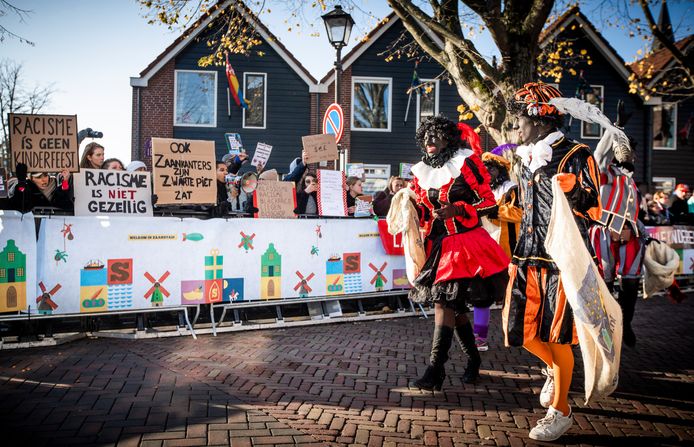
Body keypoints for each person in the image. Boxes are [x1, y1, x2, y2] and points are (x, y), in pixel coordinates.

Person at [502, 82, 601, 442]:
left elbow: (593, 208)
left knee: (557, 336)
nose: (516, 130)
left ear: (538, 120)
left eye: (518, 122)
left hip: (562, 260)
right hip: (527, 257)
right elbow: (525, 210)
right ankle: (552, 369)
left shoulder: (576, 152)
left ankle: (561, 410)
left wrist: (575, 187)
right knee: (519, 332)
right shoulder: (528, 156)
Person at [407, 115, 509, 390]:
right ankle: (473, 359)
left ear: (448, 139)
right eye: (425, 136)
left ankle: (435, 370)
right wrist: (407, 205)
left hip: (466, 244)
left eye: (435, 136)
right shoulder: (423, 171)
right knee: (454, 306)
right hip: (440, 245)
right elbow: (425, 209)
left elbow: (489, 203)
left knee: (444, 304)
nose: (429, 141)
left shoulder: (467, 163)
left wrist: (459, 209)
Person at [474, 150, 521, 352]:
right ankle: (480, 338)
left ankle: (514, 335)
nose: (487, 173)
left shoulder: (511, 189)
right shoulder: (478, 191)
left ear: (500, 171)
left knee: (510, 297)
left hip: (506, 253)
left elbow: (519, 212)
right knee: (480, 296)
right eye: (484, 169)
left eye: (491, 169)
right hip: (482, 252)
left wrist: (493, 210)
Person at [7, 164, 73, 212]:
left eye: (45, 175)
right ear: (31, 178)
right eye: (38, 177)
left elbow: (64, 202)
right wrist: (21, 182)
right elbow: (20, 203)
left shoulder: (55, 183)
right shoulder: (26, 186)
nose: (43, 180)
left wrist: (65, 180)